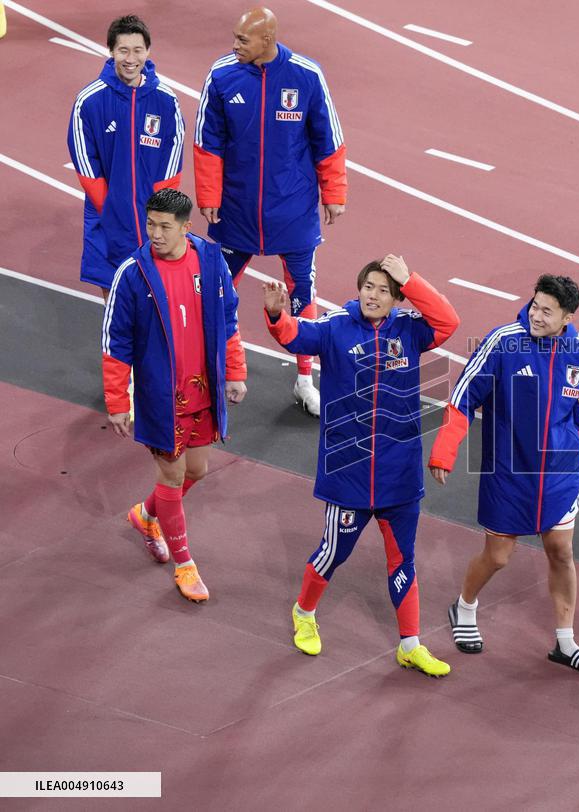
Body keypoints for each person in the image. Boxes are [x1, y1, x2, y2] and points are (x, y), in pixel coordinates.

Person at [263, 255, 459, 676]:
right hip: (348, 471)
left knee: (402, 559)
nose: (373, 295)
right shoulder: (336, 327)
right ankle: (304, 612)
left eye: (384, 290)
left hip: (399, 473)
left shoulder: (410, 331)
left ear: (397, 299)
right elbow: (296, 336)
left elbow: (448, 322)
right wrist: (277, 315)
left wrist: (412, 278)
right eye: (368, 286)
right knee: (333, 553)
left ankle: (410, 644)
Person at [429, 275, 579, 673]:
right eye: (534, 305)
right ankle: (465, 606)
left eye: (547, 311)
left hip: (559, 476)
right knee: (499, 556)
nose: (536, 315)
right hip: (508, 474)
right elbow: (463, 395)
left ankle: (565, 641)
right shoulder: (504, 342)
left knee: (561, 552)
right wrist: (445, 450)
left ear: (567, 317)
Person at [195, 6, 346, 417]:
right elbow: (208, 142)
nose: (234, 45)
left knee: (302, 294)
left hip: (293, 211)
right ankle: (221, 369)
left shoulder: (307, 76)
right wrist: (208, 194)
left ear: (267, 39)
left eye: (242, 39)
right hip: (236, 210)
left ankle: (304, 379)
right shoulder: (222, 75)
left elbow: (327, 139)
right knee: (215, 290)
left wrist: (334, 192)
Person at [102, 189, 247, 602]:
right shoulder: (133, 274)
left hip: (203, 389)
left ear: (186, 227)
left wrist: (234, 371)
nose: (156, 234)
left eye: (166, 226)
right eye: (151, 224)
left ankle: (146, 516)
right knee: (171, 475)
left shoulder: (211, 261)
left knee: (197, 470)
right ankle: (185, 566)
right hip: (159, 396)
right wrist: (117, 402)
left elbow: (228, 318)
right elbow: (116, 344)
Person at [68, 15, 185, 300]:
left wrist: (159, 210)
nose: (130, 58)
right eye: (123, 50)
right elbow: (85, 160)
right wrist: (110, 205)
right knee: (113, 299)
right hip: (106, 215)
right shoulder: (90, 100)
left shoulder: (166, 100)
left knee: (155, 298)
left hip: (154, 219)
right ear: (110, 51)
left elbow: (173, 155)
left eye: (137, 50)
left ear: (148, 51)